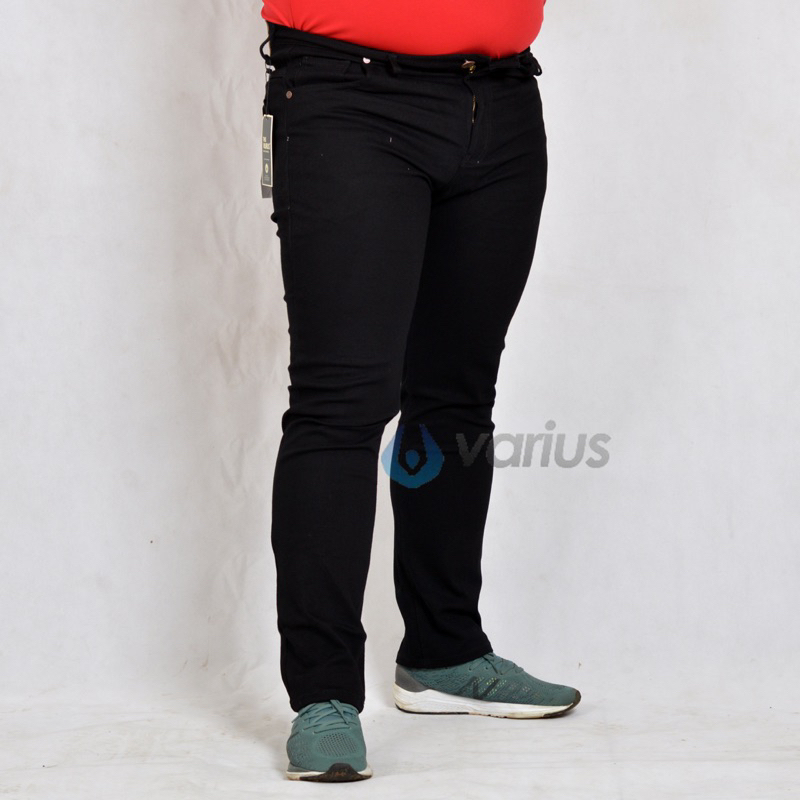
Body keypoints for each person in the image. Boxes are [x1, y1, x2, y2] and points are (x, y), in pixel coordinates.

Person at [259, 0, 580, 782]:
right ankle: (323, 697)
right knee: (343, 403)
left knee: (458, 396)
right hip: (348, 99)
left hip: (500, 101)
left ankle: (444, 651)